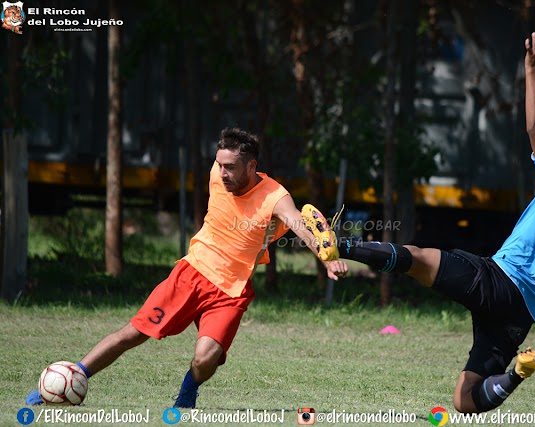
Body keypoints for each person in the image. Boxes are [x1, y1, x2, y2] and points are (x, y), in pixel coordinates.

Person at [304, 32, 535, 414]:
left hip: (499, 279)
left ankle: (338, 244)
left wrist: (531, 69)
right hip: (523, 313)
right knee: (464, 400)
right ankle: (518, 373)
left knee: (417, 257)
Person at [27, 127, 348, 408]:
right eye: (219, 164)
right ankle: (74, 374)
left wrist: (325, 255)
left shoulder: (275, 196)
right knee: (133, 333)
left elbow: (298, 223)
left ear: (251, 166)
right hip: (191, 274)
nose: (222, 173)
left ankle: (187, 391)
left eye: (231, 167)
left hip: (232, 290)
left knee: (205, 358)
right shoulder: (219, 173)